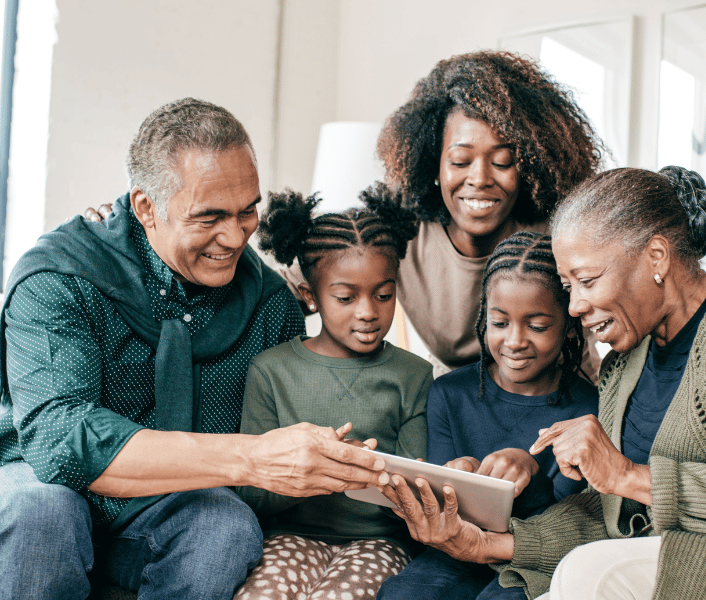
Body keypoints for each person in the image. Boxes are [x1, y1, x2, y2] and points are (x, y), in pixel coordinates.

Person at [85, 52, 706, 373]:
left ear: (531, 156)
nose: (482, 179)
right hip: (460, 413)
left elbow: (649, 266)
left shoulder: (558, 232)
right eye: (461, 159)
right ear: (429, 161)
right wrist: (122, 226)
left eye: (504, 157)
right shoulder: (399, 230)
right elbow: (290, 252)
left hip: (568, 402)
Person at [378, 167, 706, 600]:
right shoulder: (625, 361)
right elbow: (615, 521)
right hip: (697, 553)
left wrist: (627, 475)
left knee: (590, 577)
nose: (576, 306)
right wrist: (487, 545)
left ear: (655, 258)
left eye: (587, 280)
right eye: (567, 286)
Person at [0, 98, 390, 600]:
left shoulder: (270, 305)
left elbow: (282, 443)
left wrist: (335, 460)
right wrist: (250, 457)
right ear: (146, 208)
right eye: (209, 217)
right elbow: (61, 439)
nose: (234, 237)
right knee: (42, 514)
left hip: (164, 505)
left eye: (247, 210)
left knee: (224, 529)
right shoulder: (59, 279)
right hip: (38, 481)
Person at [233, 185, 433, 600]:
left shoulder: (413, 375)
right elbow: (252, 495)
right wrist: (317, 471)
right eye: (346, 297)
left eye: (384, 295)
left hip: (379, 543)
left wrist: (369, 471)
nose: (368, 312)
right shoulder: (270, 372)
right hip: (290, 535)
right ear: (310, 295)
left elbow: (418, 487)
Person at [377, 232, 598, 600]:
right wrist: (453, 474)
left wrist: (530, 468)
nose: (514, 341)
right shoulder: (450, 394)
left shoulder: (587, 409)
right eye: (499, 323)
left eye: (538, 326)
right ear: (483, 318)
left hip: (529, 559)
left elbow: (561, 522)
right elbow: (441, 507)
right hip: (453, 553)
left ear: (569, 326)